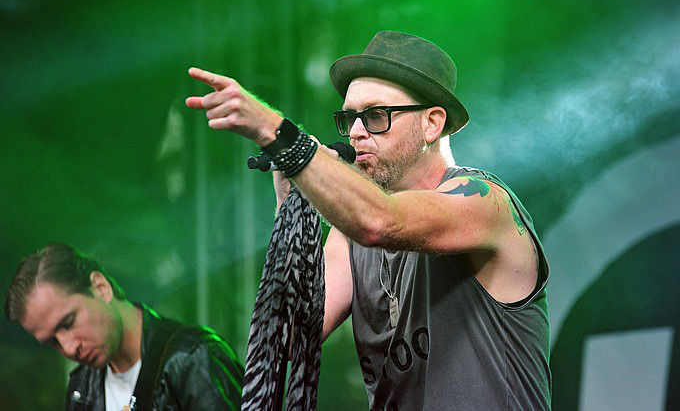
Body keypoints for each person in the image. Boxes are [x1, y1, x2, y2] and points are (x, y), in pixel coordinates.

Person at [186, 30, 551, 410]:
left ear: (431, 123)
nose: (357, 133)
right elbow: (290, 338)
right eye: (350, 118)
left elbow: (381, 221)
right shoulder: (348, 238)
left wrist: (278, 134)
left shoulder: (483, 202)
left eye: (376, 116)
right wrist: (291, 208)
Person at [4, 243, 244, 411]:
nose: (68, 348)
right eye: (52, 342)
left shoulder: (194, 358)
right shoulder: (81, 389)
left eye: (68, 322)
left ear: (101, 288)